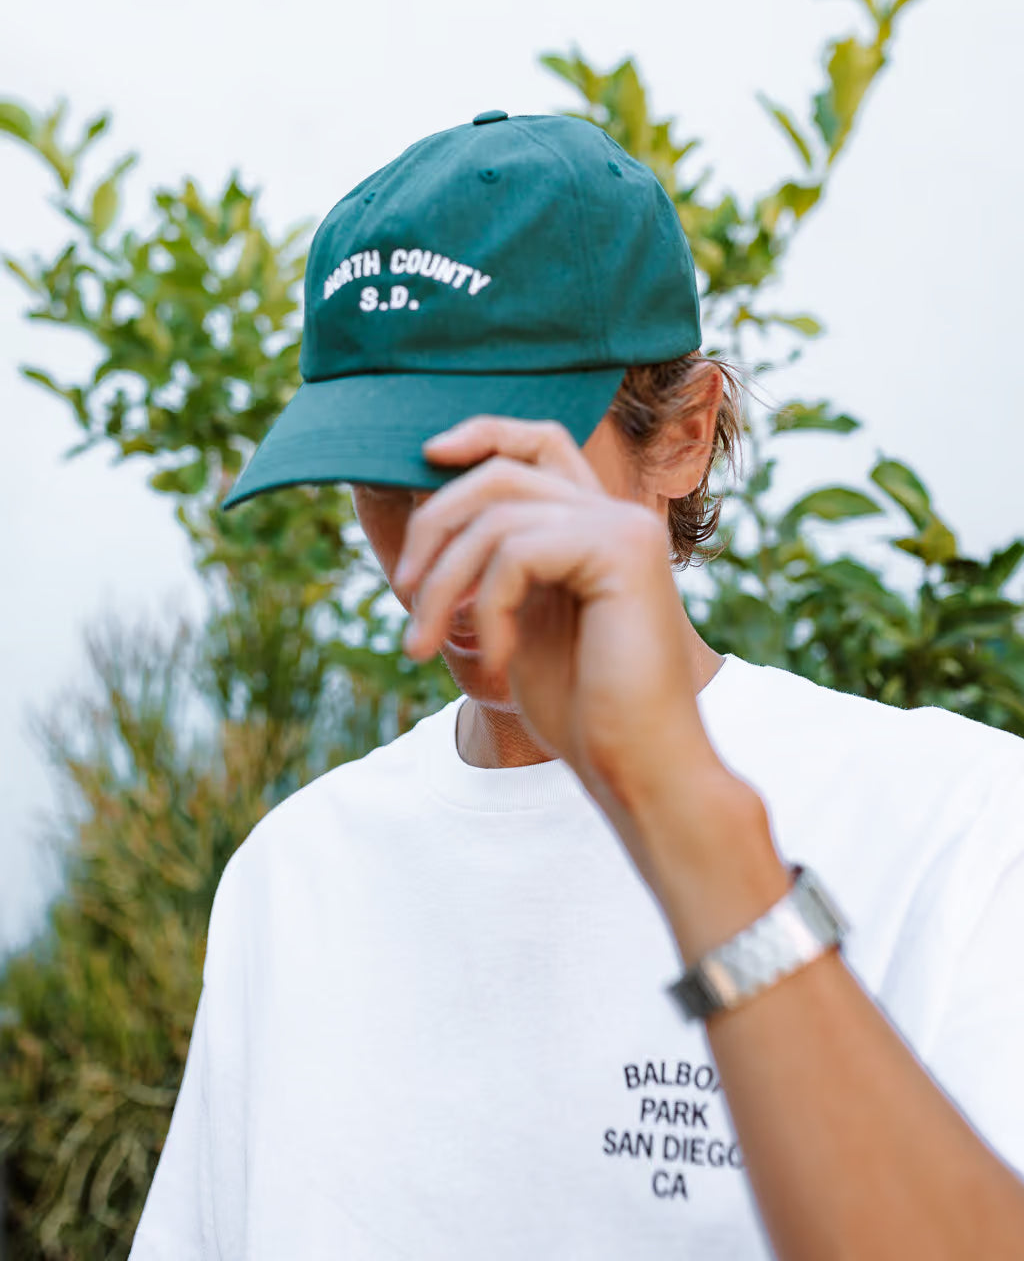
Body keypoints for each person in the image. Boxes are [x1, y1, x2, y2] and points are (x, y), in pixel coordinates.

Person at [128, 110, 1024, 1259]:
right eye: (382, 476)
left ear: (686, 433)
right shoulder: (293, 876)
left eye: (495, 467)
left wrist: (676, 801)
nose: (433, 541)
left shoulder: (955, 824)